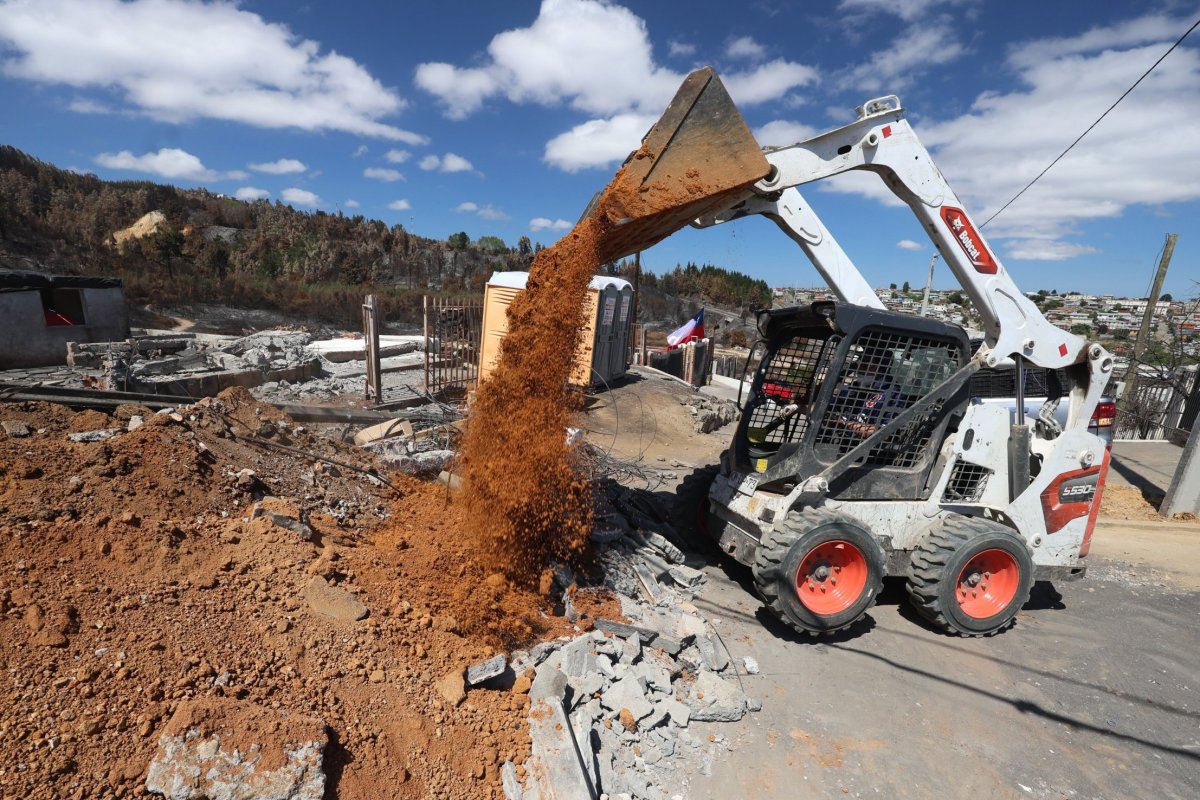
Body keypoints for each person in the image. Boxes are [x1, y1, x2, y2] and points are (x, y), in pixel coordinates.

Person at [830, 342, 904, 439]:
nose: (859, 369)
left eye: (865, 365)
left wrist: (847, 424)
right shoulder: (855, 387)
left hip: (868, 449)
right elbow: (829, 406)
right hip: (840, 440)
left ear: (881, 368)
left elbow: (883, 432)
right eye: (859, 364)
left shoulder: (891, 393)